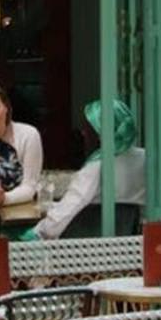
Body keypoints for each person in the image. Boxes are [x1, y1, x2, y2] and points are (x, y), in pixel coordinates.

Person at [22, 99, 147, 240]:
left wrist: (36, 233)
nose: (83, 134)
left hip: (88, 250)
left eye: (87, 129)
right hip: (133, 246)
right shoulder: (146, 159)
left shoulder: (97, 167)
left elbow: (65, 213)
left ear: (101, 133)